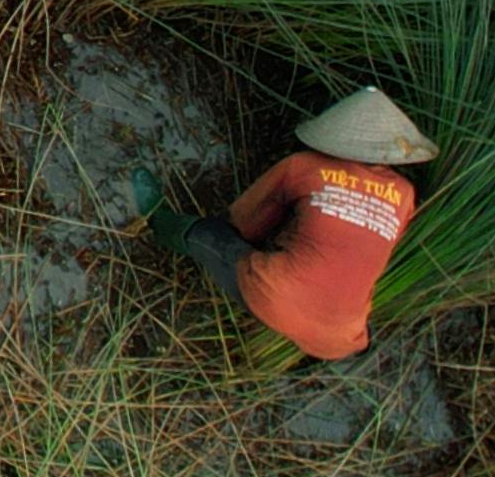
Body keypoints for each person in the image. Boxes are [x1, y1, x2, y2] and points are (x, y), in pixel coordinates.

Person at [141, 86, 433, 361]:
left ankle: (155, 221)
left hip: (277, 298)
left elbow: (244, 223)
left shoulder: (303, 166)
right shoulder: (406, 195)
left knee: (210, 236)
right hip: (344, 339)